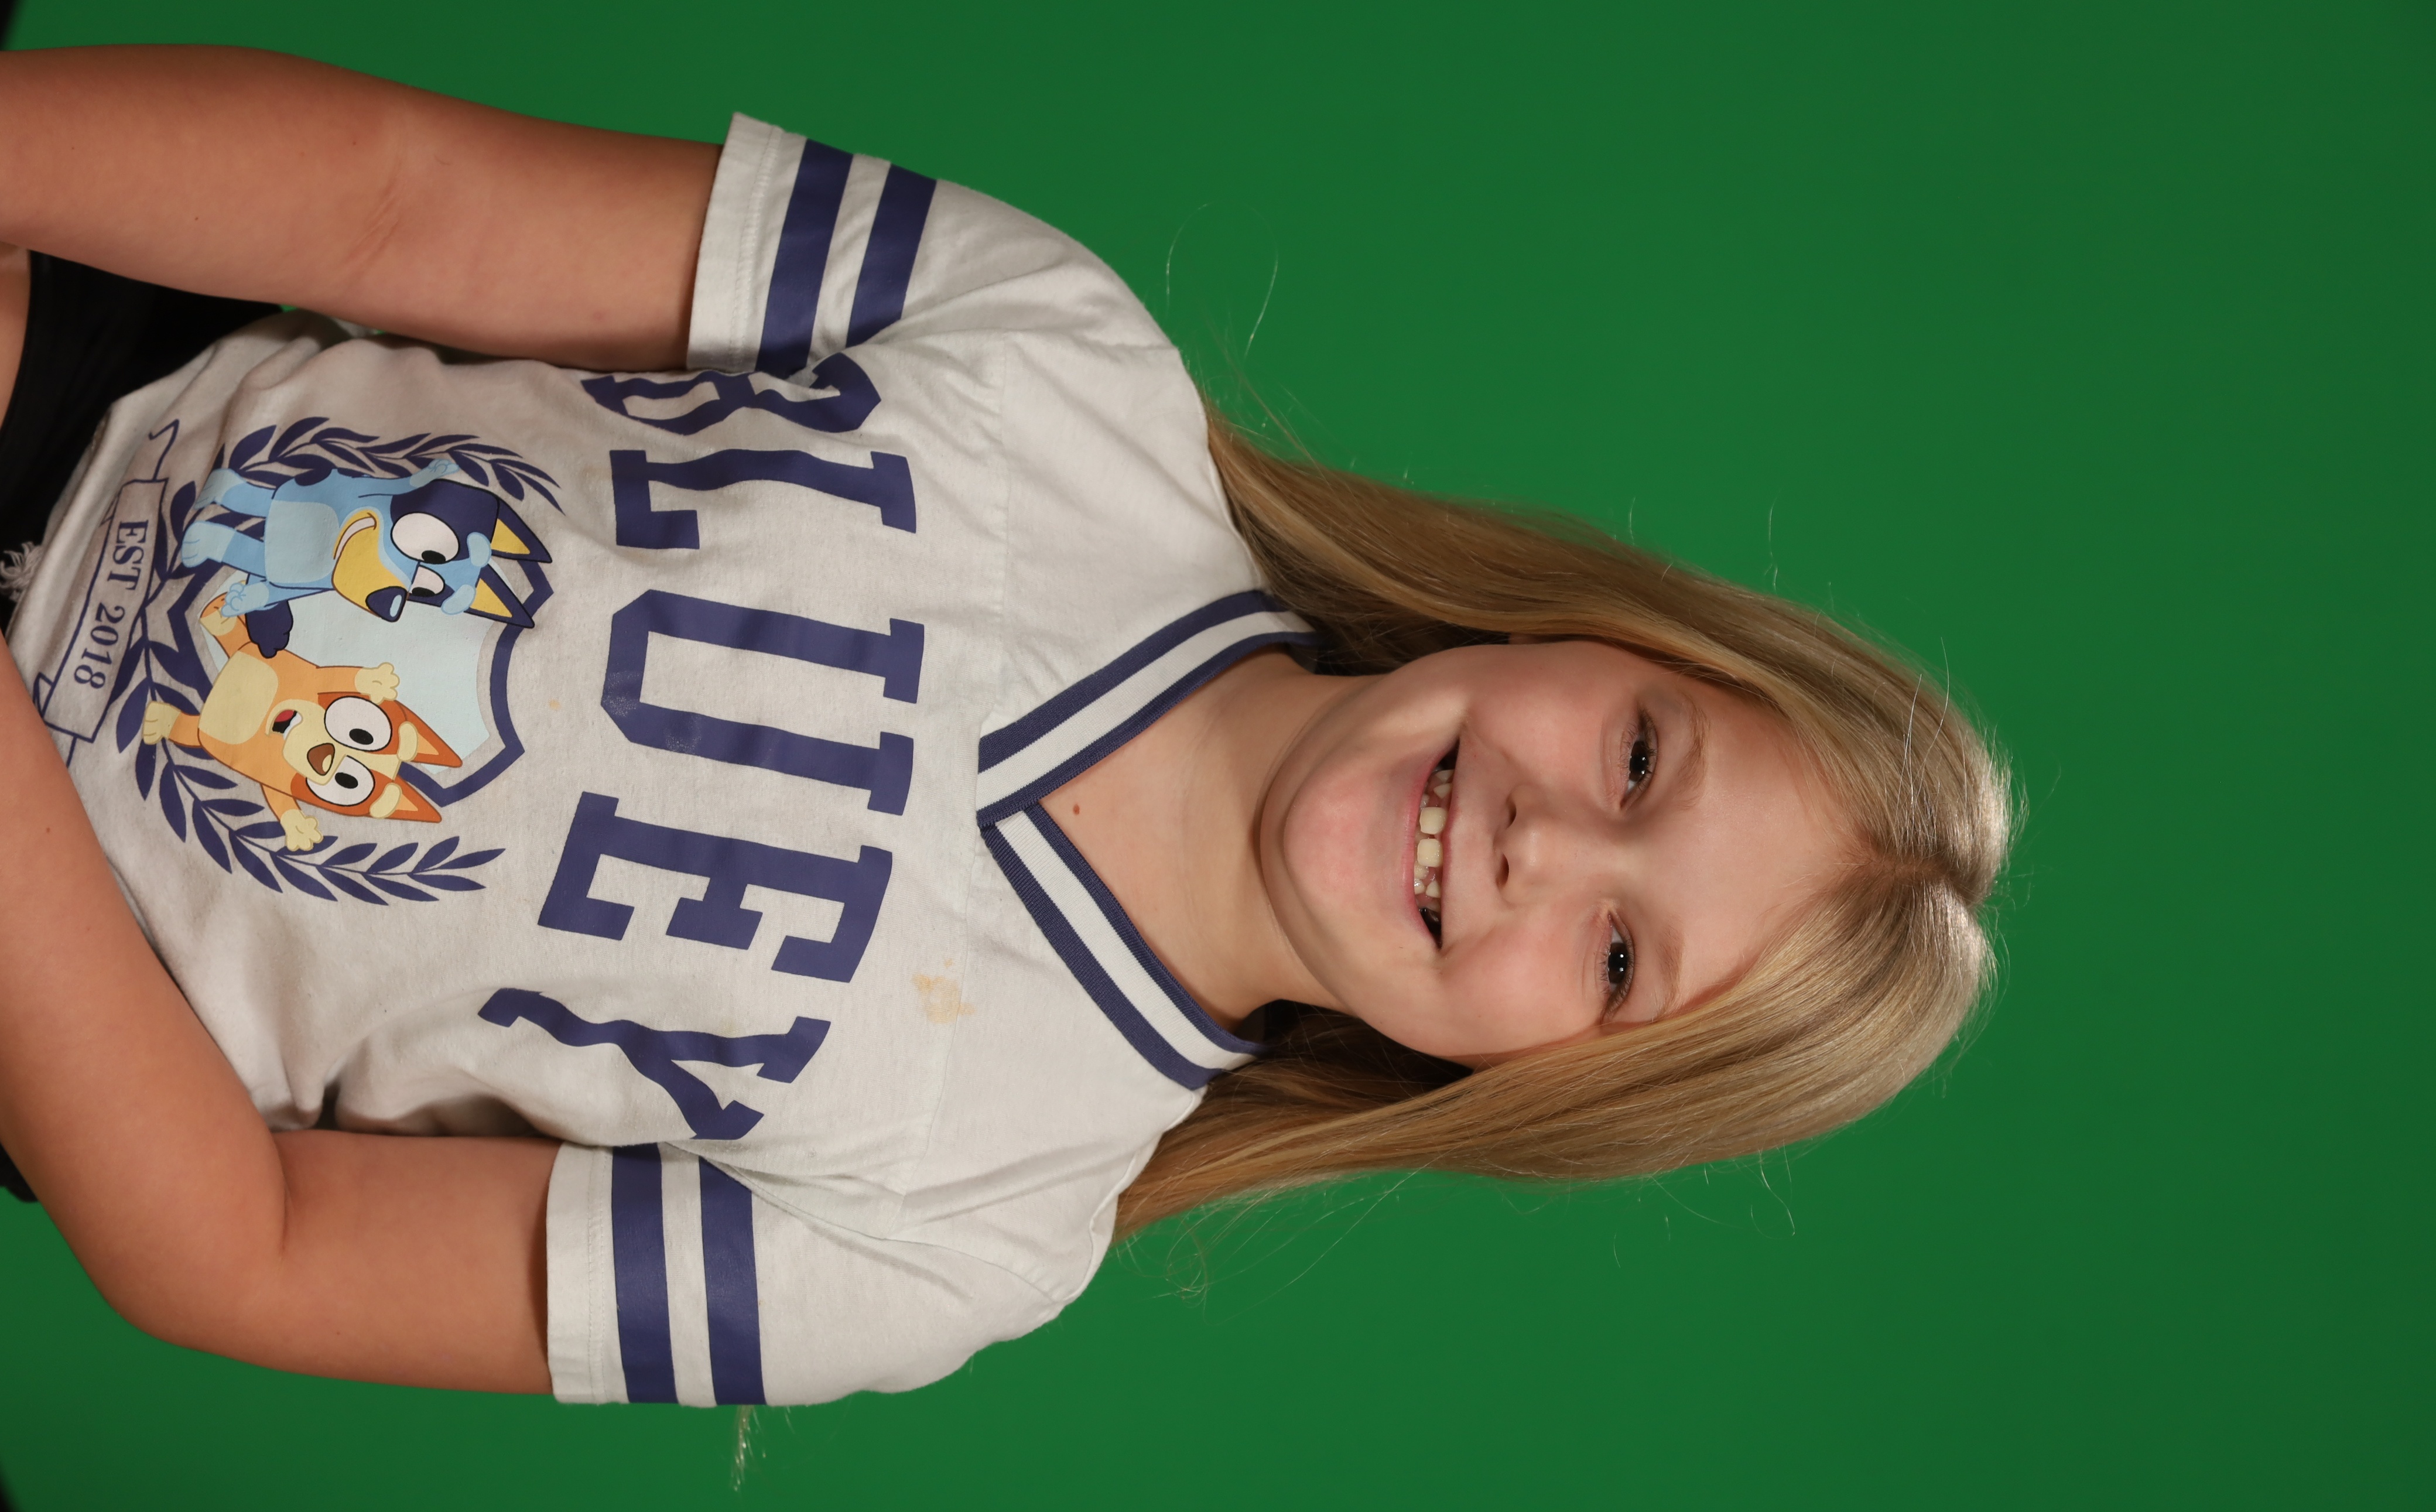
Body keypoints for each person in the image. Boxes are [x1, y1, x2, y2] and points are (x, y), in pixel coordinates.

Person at [0, 45, 2010, 1406]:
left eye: (1619, 957)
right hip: (79, 414)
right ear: (1599, 635)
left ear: (1543, 1092)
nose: (1541, 845)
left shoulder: (972, 1233)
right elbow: (397, 208)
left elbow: (248, 1247)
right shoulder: (1066, 357)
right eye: (1642, 759)